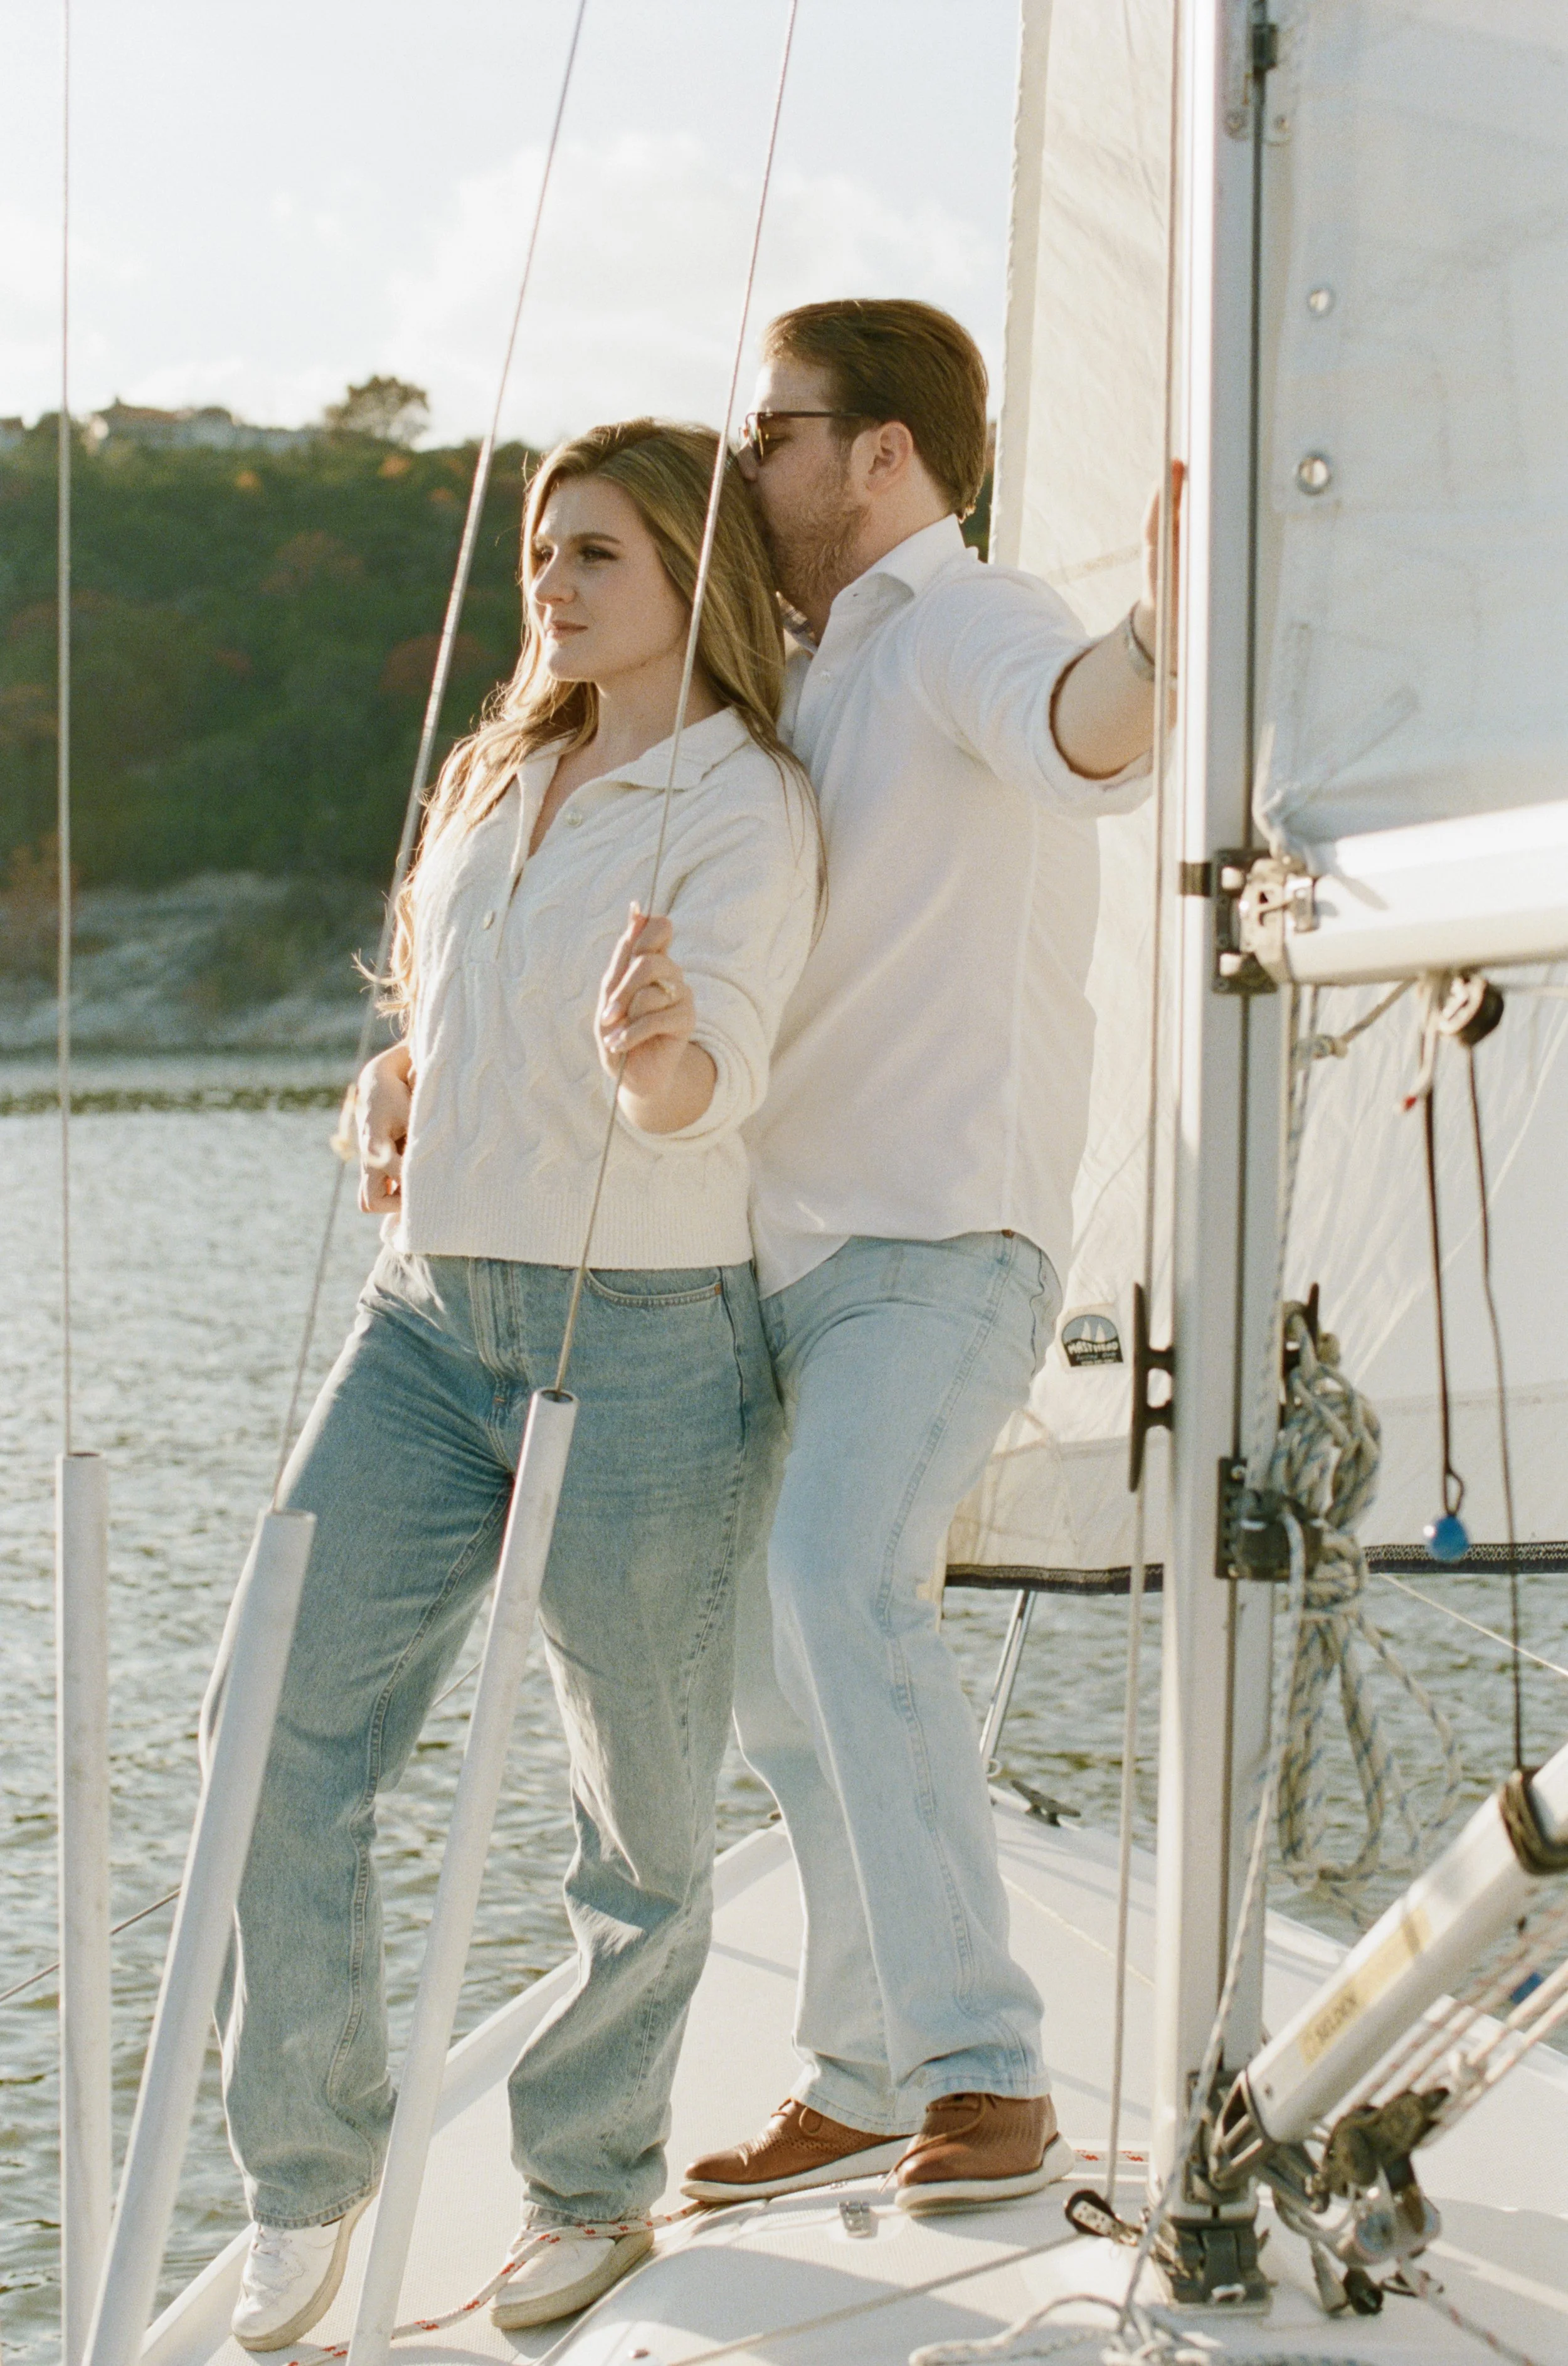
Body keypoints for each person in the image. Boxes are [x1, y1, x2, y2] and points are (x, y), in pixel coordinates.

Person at [219, 419, 819, 2348]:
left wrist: (654, 1052)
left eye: (598, 557)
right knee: (273, 1717)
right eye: (543, 552)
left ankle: (589, 2190)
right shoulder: (502, 772)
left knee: (633, 1811)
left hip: (645, 1335)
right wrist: (387, 1088)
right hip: (421, 1325)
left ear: (687, 586)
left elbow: (701, 1072)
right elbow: (430, 1020)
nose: (552, 584)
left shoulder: (747, 804)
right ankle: (306, 2179)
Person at [682, 299, 1170, 2214]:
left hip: (935, 1237)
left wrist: (1151, 642)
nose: (746, 465)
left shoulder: (958, 618)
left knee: (836, 1588)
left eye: (773, 431)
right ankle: (869, 2062)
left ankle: (982, 2063)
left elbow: (1083, 731)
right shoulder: (790, 672)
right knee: (768, 1671)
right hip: (779, 1251)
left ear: (882, 454)